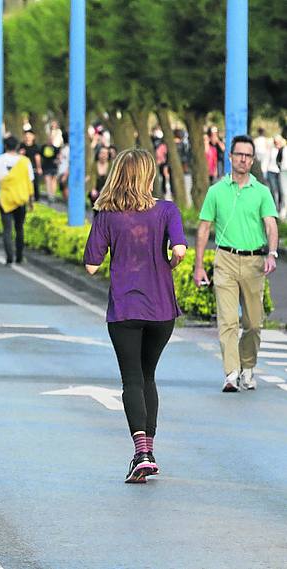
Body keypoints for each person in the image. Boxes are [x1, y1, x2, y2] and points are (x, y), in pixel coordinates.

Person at [83, 148, 187, 483]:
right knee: (148, 376)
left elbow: (91, 265)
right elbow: (180, 251)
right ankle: (148, 451)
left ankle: (142, 452)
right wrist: (166, 265)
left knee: (131, 379)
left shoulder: (106, 215)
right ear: (148, 175)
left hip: (125, 308)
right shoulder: (167, 210)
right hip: (161, 308)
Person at [194, 134, 279, 393]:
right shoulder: (216, 191)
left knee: (253, 323)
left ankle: (248, 366)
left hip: (254, 262)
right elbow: (204, 228)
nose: (243, 159)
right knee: (228, 320)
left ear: (252, 160)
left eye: (247, 155)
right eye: (238, 154)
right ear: (229, 157)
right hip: (226, 260)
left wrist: (272, 253)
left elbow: (271, 225)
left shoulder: (262, 192)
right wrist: (198, 265)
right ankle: (231, 373)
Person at [0, 136, 34, 265]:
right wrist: (31, 201)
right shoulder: (25, 161)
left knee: (7, 230)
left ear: (5, 146)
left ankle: (9, 257)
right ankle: (19, 256)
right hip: (21, 199)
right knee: (19, 228)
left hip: (5, 200)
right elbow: (30, 182)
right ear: (17, 146)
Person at [19, 130, 42, 201]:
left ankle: (36, 199)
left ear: (33, 137)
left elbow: (37, 158)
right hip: (23, 168)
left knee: (35, 184)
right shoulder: (21, 146)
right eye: (26, 136)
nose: (28, 137)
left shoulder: (36, 146)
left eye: (29, 135)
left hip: (33, 167)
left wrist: (39, 168)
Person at [88, 146, 111, 213]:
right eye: (102, 153)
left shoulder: (111, 165)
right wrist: (92, 189)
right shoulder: (94, 165)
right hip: (97, 189)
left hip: (107, 189)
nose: (103, 155)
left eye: (105, 153)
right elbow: (92, 177)